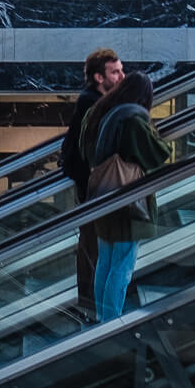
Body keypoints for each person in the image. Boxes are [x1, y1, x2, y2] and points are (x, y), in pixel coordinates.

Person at [83, 67, 171, 321]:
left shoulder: (106, 113)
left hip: (104, 196)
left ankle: (102, 317)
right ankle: (111, 322)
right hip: (126, 201)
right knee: (122, 266)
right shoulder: (133, 119)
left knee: (106, 262)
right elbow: (156, 154)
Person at [61, 46, 122, 317]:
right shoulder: (92, 102)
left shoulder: (93, 100)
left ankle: (90, 301)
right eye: (115, 72)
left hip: (91, 182)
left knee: (93, 243)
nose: (122, 76)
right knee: (93, 244)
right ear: (99, 77)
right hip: (93, 184)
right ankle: (90, 302)